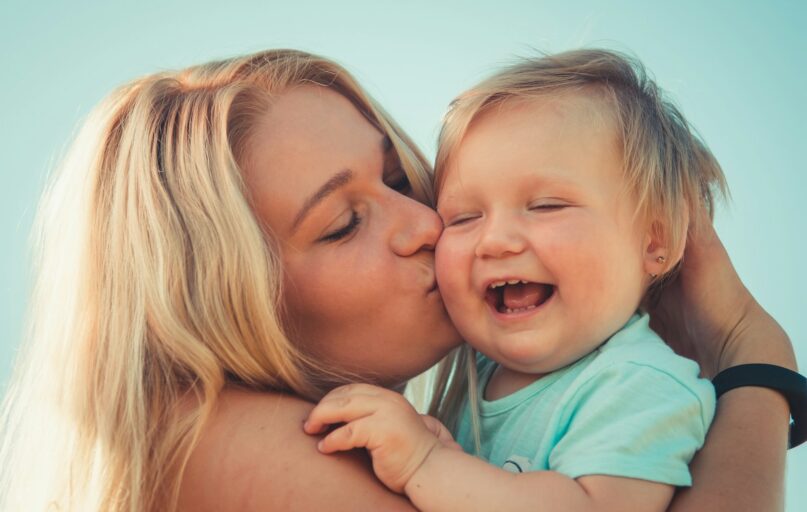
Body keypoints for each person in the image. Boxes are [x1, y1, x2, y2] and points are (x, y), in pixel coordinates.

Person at [0, 49, 796, 512]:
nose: (426, 225)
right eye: (343, 223)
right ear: (221, 302)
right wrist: (756, 366)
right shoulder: (227, 441)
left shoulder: (530, 388)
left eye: (398, 180)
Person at [304, 49, 734, 512]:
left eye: (546, 206)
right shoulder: (474, 370)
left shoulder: (641, 382)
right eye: (464, 217)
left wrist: (425, 462)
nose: (495, 241)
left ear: (654, 241)